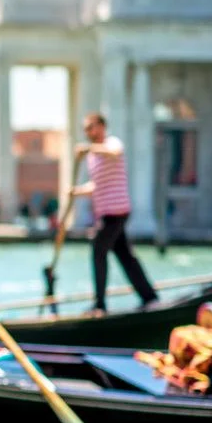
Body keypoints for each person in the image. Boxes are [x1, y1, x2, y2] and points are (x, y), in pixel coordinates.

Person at [70, 112, 159, 317]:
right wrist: (76, 192)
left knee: (98, 248)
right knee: (126, 257)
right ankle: (149, 297)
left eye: (91, 127)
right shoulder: (93, 157)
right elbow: (97, 186)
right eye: (86, 130)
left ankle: (99, 305)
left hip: (116, 212)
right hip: (106, 212)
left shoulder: (111, 143)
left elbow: (115, 152)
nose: (88, 133)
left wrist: (88, 148)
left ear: (102, 126)